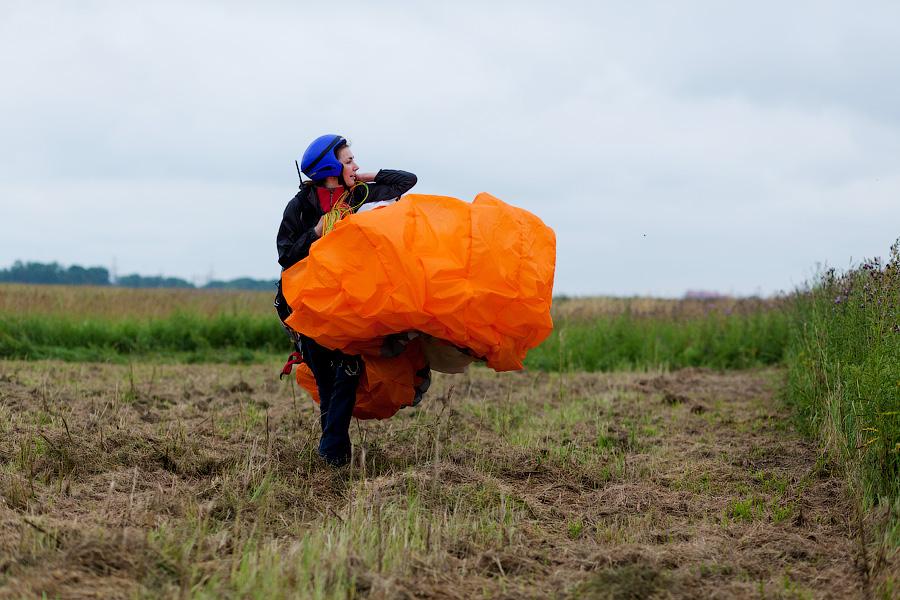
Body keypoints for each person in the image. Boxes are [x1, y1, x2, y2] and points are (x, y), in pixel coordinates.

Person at [274, 134, 417, 466]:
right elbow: (286, 258)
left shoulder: (361, 195)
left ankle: (332, 455)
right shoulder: (300, 207)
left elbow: (406, 181)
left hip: (351, 308)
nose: (356, 164)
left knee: (348, 373)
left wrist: (363, 176)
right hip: (310, 309)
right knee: (327, 381)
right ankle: (333, 454)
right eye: (349, 160)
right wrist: (314, 234)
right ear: (329, 165)